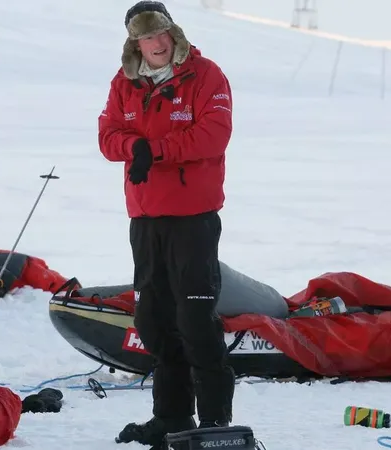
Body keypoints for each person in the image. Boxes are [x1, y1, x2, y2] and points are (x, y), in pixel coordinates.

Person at [97, 1, 236, 447]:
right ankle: (172, 418)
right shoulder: (124, 82)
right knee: (154, 321)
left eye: (161, 35)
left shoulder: (205, 75)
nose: (156, 44)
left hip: (193, 219)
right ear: (134, 42)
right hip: (144, 219)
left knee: (195, 319)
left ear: (172, 34)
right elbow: (107, 134)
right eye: (146, 38)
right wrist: (133, 146)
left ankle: (215, 422)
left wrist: (151, 152)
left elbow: (214, 134)